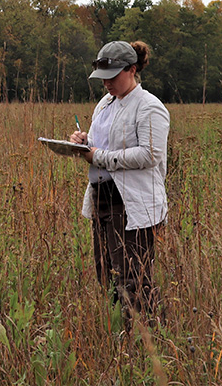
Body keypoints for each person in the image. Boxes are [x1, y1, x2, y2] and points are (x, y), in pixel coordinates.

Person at [68, 39, 169, 320]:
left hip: (131, 203)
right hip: (102, 197)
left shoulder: (150, 106)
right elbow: (101, 142)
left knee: (133, 279)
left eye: (112, 77)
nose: (106, 84)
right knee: (108, 275)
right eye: (102, 78)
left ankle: (147, 340)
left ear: (132, 69)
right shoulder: (105, 104)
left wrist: (98, 156)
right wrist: (83, 141)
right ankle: (120, 337)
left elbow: (150, 155)